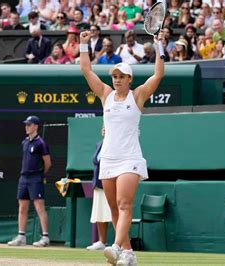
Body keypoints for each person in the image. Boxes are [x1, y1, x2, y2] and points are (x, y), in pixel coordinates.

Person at [79, 29, 164, 266]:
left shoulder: (137, 97)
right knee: (115, 210)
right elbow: (86, 70)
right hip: (108, 159)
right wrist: (83, 44)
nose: (116, 79)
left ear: (129, 79)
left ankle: (115, 247)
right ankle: (129, 253)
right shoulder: (105, 93)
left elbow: (158, 74)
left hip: (130, 159)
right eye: (114, 76)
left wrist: (159, 47)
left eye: (121, 76)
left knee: (125, 204)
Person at [8, 115, 52, 247]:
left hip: (35, 178)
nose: (26, 127)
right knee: (22, 207)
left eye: (29, 124)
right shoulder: (25, 142)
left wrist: (39, 174)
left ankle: (45, 237)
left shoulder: (41, 143)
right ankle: (21, 236)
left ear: (36, 126)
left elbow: (48, 163)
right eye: (26, 125)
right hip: (23, 178)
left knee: (39, 207)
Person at [86, 128, 112, 251]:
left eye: (106, 128)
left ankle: (122, 243)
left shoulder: (115, 144)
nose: (103, 130)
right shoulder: (99, 144)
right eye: (102, 128)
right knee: (99, 213)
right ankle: (102, 242)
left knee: (114, 213)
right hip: (98, 183)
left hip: (110, 184)